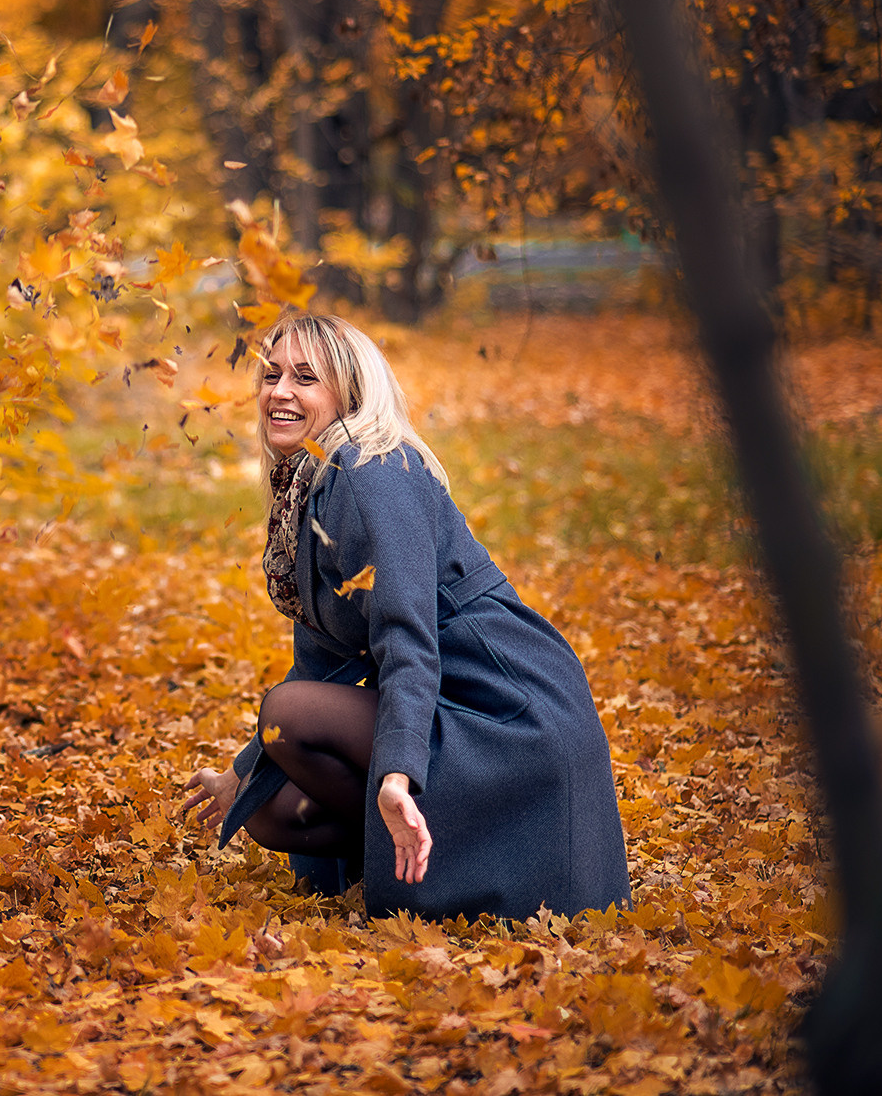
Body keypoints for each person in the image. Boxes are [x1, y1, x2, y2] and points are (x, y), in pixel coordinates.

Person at [178, 312, 630, 920]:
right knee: (265, 808)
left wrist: (397, 774)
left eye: (305, 379)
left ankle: (439, 848)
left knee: (285, 713)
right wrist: (243, 772)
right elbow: (322, 659)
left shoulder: (371, 475)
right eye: (271, 374)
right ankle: (416, 857)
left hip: (508, 711)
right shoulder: (310, 487)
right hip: (450, 698)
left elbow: (407, 639)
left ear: (350, 395)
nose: (279, 392)